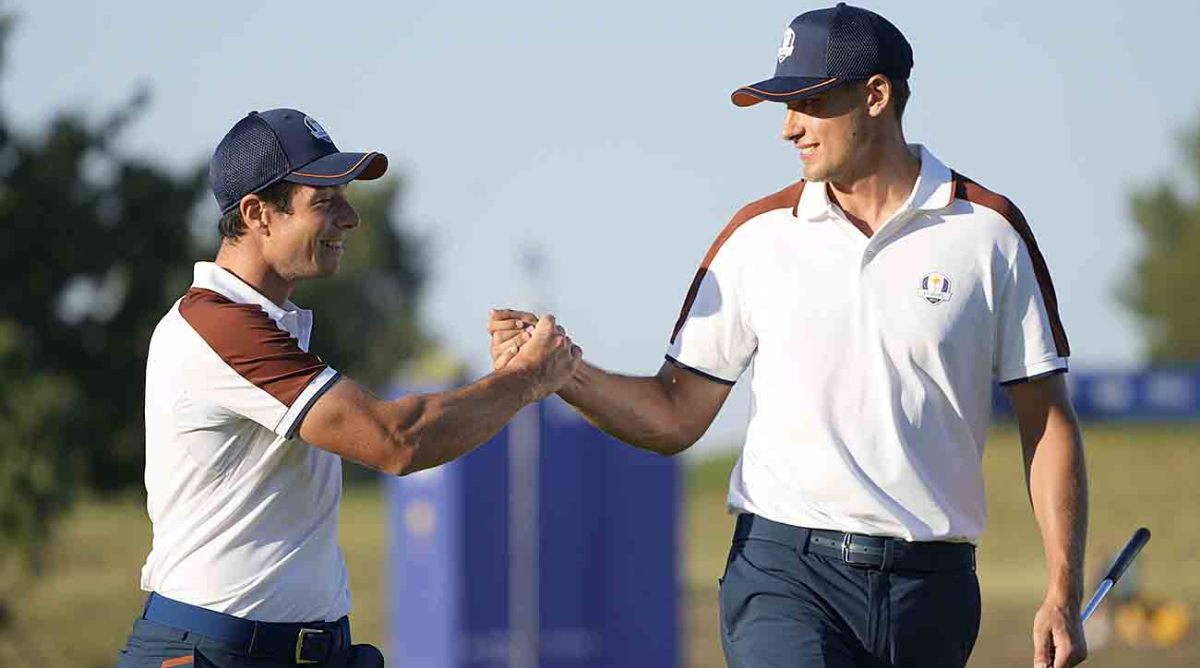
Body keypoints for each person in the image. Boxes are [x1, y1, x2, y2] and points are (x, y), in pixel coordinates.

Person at [488, 4, 1088, 667]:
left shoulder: (990, 232)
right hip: (784, 575)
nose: (787, 127)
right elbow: (676, 413)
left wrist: (1063, 587)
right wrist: (565, 372)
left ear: (876, 96)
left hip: (934, 590)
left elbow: (1048, 421)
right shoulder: (755, 238)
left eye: (807, 102)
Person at [116, 108, 581, 668]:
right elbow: (396, 440)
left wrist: (509, 383)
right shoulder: (221, 326)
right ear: (257, 213)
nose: (351, 216)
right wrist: (523, 378)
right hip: (217, 652)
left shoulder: (259, 323)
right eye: (325, 200)